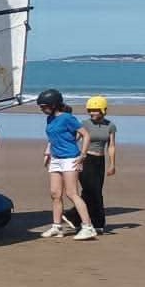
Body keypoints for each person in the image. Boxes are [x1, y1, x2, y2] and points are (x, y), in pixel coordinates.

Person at [37, 89, 96, 239]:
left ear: (54, 104)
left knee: (72, 193)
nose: (42, 109)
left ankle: (88, 227)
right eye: (41, 107)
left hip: (70, 158)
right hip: (56, 159)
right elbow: (52, 138)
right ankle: (57, 227)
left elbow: (85, 134)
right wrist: (47, 153)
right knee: (55, 194)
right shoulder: (49, 119)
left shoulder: (68, 118)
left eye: (44, 106)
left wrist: (83, 154)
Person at [65, 95, 118, 234]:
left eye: (95, 110)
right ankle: (89, 220)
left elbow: (111, 146)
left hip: (100, 162)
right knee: (91, 191)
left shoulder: (110, 126)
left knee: (96, 193)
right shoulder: (85, 124)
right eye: (90, 110)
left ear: (103, 110)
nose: (92, 113)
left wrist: (112, 164)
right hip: (86, 160)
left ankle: (90, 222)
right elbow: (74, 140)